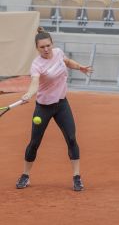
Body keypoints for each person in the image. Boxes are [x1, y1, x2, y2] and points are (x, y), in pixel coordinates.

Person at [16, 27, 92, 191]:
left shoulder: (57, 52)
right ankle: (25, 175)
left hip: (62, 104)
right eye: (42, 47)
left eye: (48, 45)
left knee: (71, 138)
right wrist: (29, 94)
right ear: (37, 48)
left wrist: (80, 67)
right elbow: (35, 83)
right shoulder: (36, 64)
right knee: (34, 143)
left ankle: (77, 177)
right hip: (43, 107)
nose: (46, 49)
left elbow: (67, 61)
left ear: (52, 44)